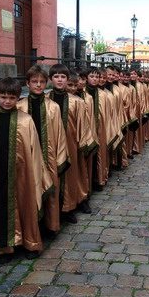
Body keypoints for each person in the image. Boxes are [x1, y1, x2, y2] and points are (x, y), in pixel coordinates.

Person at [0, 77, 52, 262]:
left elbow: (34, 151)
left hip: (24, 174)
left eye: (11, 97)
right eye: (3, 97)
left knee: (27, 205)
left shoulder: (26, 121)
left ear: (18, 98)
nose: (7, 101)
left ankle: (30, 243)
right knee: (1, 208)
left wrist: (37, 175)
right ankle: (4, 248)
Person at [17, 65, 69, 237]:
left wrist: (61, 159)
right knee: (29, 191)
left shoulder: (53, 107)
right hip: (27, 156)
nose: (38, 85)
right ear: (27, 83)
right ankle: (32, 229)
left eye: (41, 82)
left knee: (50, 189)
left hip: (49, 156)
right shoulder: (20, 107)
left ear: (46, 83)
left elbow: (60, 135)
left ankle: (50, 225)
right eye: (34, 82)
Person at [48, 64, 96, 224]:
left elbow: (84, 125)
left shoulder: (77, 102)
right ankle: (55, 209)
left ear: (67, 79)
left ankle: (73, 204)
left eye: (63, 77)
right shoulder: (46, 100)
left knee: (73, 172)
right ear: (51, 79)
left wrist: (85, 144)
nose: (60, 80)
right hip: (51, 145)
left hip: (72, 144)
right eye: (56, 76)